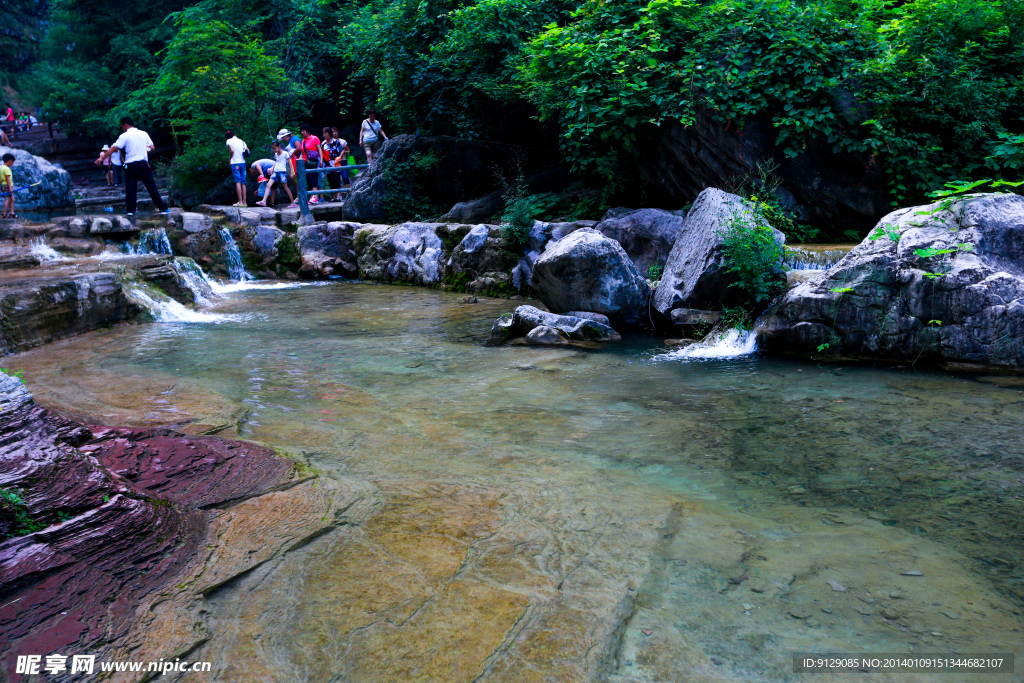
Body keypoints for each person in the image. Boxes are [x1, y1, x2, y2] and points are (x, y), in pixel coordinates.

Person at [94, 116, 169, 216]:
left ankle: (130, 211)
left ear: (125, 125)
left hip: (130, 165)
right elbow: (152, 147)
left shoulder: (125, 135)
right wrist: (143, 151)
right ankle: (162, 208)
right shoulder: (143, 133)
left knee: (130, 188)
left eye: (122, 126)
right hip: (142, 164)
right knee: (151, 186)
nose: (122, 128)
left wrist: (101, 158)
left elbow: (113, 149)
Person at [256, 140, 294, 207]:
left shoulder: (285, 153)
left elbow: (290, 163)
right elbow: (277, 162)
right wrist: (272, 168)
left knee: (285, 188)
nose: (274, 150)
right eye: (273, 148)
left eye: (275, 148)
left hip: (282, 172)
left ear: (279, 146)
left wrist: (291, 172)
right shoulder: (276, 154)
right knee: (268, 185)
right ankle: (264, 201)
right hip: (275, 172)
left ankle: (292, 203)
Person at [320, 127, 349, 201]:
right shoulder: (323, 143)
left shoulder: (335, 142)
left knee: (336, 180)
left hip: (336, 164)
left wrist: (340, 157)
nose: (324, 135)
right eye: (323, 133)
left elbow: (342, 150)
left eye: (325, 133)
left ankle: (338, 196)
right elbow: (321, 153)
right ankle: (334, 196)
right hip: (327, 165)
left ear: (329, 134)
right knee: (330, 180)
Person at [296, 124, 322, 203]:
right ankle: (313, 196)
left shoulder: (314, 138)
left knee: (313, 177)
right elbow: (302, 153)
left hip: (313, 161)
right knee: (309, 179)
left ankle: (315, 196)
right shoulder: (303, 141)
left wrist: (321, 160)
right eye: (301, 131)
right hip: (305, 162)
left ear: (308, 131)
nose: (302, 132)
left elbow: (319, 149)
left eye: (304, 130)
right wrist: (299, 160)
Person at [225, 130, 249, 207]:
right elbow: (247, 150)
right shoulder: (242, 141)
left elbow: (232, 150)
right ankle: (245, 202)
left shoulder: (229, 141)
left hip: (236, 164)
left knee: (237, 181)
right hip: (242, 163)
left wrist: (230, 159)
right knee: (243, 182)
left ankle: (240, 202)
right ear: (234, 134)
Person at [1, 152, 16, 219]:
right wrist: (10, 188)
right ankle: (3, 214)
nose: (12, 164)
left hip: (3, 186)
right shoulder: (7, 169)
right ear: (10, 161)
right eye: (12, 162)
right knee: (7, 199)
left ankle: (12, 213)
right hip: (7, 186)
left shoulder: (1, 167)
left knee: (12, 199)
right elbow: (8, 179)